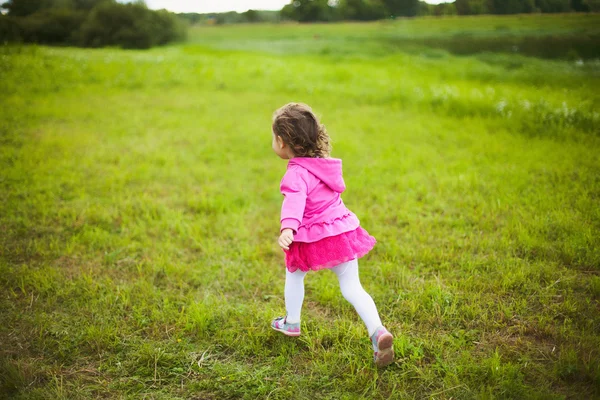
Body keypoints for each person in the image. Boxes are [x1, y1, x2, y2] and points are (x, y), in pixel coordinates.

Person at [270, 102, 394, 367]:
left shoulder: (296, 174)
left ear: (281, 142)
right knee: (352, 287)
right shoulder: (324, 165)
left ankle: (292, 320)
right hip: (343, 232)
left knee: (294, 272)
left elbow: (294, 202)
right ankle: (378, 331)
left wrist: (288, 228)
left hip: (314, 238)